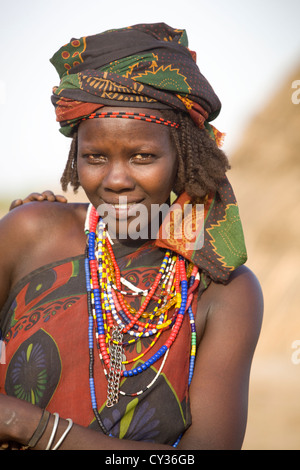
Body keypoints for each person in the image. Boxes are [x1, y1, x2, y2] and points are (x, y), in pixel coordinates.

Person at [0, 23, 263, 451]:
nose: (116, 180)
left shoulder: (223, 290)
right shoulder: (30, 234)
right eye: (95, 157)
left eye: (143, 157)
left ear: (183, 158)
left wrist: (28, 425)